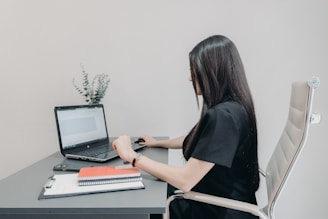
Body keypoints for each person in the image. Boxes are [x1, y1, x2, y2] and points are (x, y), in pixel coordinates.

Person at [112, 35, 260, 219]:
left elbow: (185, 180)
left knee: (143, 201)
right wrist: (157, 143)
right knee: (151, 188)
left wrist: (132, 156)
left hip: (217, 210)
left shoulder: (223, 116)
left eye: (194, 70)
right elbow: (201, 138)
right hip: (220, 201)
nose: (190, 77)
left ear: (212, 71)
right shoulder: (234, 107)